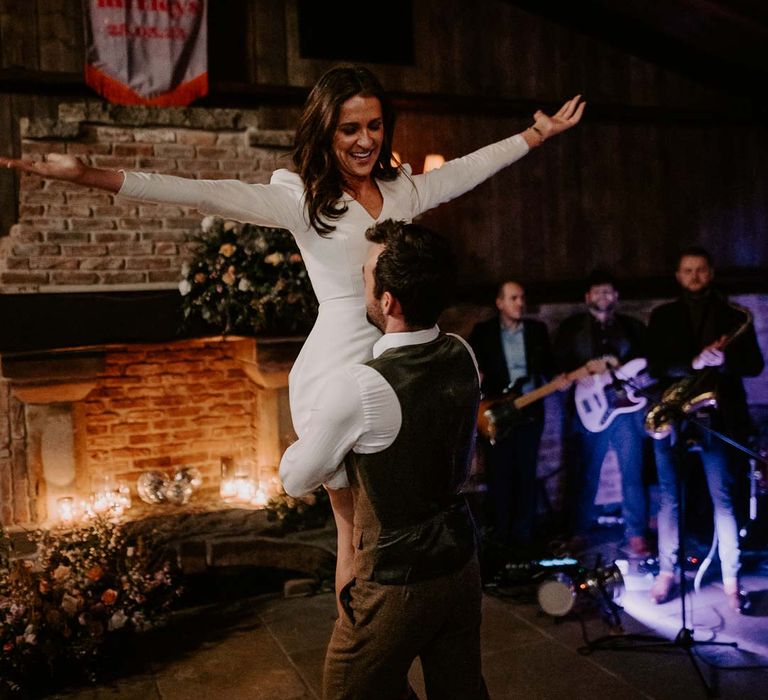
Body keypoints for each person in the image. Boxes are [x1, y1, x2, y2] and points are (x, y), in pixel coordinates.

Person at [0, 64, 584, 600]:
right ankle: (360, 655)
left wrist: (537, 136)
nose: (364, 140)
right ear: (326, 132)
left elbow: (468, 170)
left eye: (375, 125)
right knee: (353, 534)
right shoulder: (300, 199)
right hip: (338, 364)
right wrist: (87, 175)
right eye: (350, 127)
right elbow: (198, 190)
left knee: (406, 511)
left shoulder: (405, 190)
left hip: (400, 362)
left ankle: (405, 632)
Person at [280, 219, 488, 700]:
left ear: (388, 302)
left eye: (369, 276)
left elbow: (295, 479)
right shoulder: (461, 352)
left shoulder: (359, 386)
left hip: (398, 578)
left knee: (347, 689)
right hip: (462, 562)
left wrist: (316, 428)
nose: (363, 283)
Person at [646, 246, 764, 613]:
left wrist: (726, 361)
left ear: (710, 273)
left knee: (724, 500)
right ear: (678, 276)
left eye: (700, 270)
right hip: (675, 411)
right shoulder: (663, 316)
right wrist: (692, 362)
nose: (694, 276)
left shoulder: (735, 316)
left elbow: (755, 365)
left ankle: (731, 580)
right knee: (670, 497)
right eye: (687, 270)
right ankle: (666, 572)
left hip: (719, 415)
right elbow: (655, 364)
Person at [553, 269, 651, 556]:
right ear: (587, 297)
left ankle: (637, 534)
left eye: (608, 291)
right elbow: (556, 366)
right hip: (589, 410)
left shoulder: (633, 327)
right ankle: (579, 531)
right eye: (597, 291)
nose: (603, 296)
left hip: (626, 410)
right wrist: (571, 375)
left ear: (616, 296)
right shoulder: (572, 328)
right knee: (585, 473)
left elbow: (648, 365)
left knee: (633, 473)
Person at [468, 280, 566, 559]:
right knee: (499, 475)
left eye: (522, 298)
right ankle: (500, 539)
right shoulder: (483, 332)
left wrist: (559, 379)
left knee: (527, 474)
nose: (520, 303)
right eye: (513, 298)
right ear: (499, 303)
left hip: (530, 410)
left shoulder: (537, 331)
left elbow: (548, 366)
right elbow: (474, 370)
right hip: (498, 411)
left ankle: (524, 540)